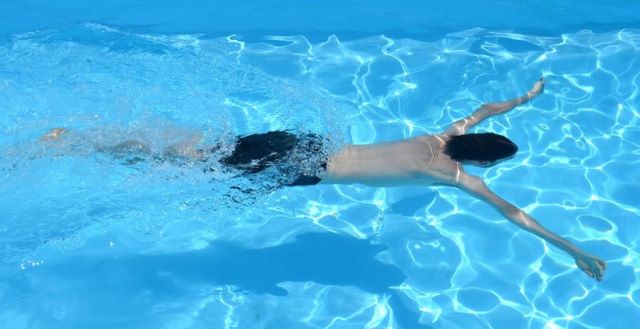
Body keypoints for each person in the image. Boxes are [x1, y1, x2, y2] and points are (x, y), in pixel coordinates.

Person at [40, 77, 606, 281]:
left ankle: (96, 139)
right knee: (190, 170)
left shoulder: (441, 137)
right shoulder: (456, 177)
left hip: (301, 142)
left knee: (203, 150)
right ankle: (97, 152)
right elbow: (514, 215)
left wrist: (525, 99)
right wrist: (573, 248)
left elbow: (484, 109)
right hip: (301, 171)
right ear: (481, 163)